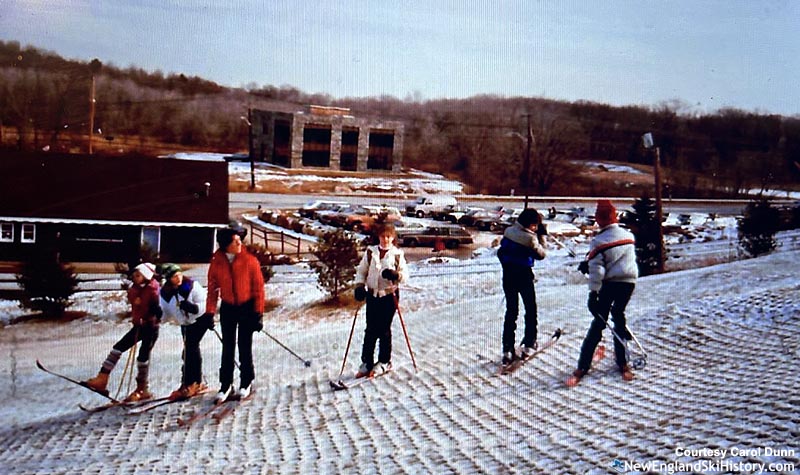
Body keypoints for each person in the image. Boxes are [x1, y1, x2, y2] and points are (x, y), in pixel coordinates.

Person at [566, 199, 638, 387]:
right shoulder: (628, 235)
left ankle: (583, 366)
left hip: (610, 284)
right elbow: (616, 261)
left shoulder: (598, 241)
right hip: (629, 282)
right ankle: (623, 362)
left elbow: (599, 271)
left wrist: (593, 294)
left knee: (599, 322)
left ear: (599, 220)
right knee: (618, 318)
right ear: (615, 217)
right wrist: (590, 264)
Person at [83, 262, 162, 402]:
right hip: (138, 326)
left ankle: (142, 388)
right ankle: (102, 378)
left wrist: (152, 311)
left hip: (150, 327)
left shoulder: (153, 289)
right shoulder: (135, 288)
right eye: (135, 275)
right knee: (118, 348)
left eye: (138, 275)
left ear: (146, 276)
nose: (135, 277)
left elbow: (157, 307)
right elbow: (133, 300)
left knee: (143, 356)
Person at [205, 225, 265, 403]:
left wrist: (258, 314)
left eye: (240, 240)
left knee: (244, 346)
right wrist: (210, 312)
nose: (240, 243)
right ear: (226, 245)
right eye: (235, 241)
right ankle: (225, 384)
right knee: (227, 347)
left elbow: (259, 289)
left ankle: (246, 381)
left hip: (246, 307)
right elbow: (212, 289)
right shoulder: (217, 262)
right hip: (228, 307)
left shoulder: (250, 260)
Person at [353, 223, 409, 378]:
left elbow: (405, 275)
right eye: (383, 236)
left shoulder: (397, 254)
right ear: (379, 236)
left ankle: (384, 361)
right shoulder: (371, 252)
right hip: (372, 296)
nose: (386, 239)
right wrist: (359, 286)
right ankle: (367, 363)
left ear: (393, 238)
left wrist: (396, 275)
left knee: (383, 330)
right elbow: (361, 271)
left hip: (389, 296)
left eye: (389, 236)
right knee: (370, 330)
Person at [497, 208, 548, 364]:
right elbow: (541, 254)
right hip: (523, 276)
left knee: (511, 311)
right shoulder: (530, 239)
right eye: (535, 225)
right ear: (531, 224)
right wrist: (542, 236)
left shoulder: (508, 231)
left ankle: (507, 349)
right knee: (530, 309)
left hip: (508, 276)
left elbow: (502, 252)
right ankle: (529, 342)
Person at [158, 263, 214, 401]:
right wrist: (157, 315)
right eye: (174, 277)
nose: (178, 278)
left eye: (179, 275)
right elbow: (165, 313)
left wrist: (194, 308)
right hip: (185, 324)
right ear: (168, 279)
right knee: (189, 350)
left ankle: (192, 382)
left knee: (190, 348)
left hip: (201, 320)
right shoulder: (165, 293)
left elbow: (205, 302)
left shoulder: (191, 286)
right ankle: (191, 382)